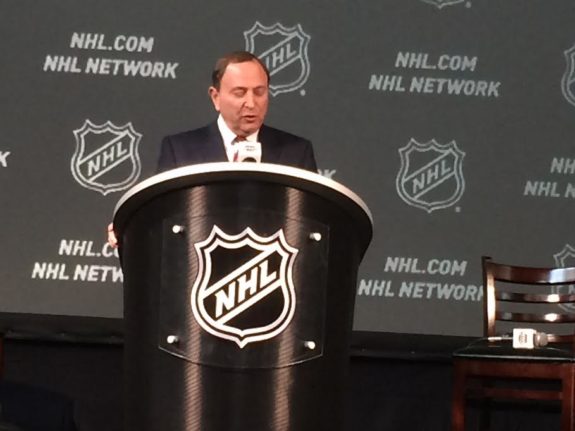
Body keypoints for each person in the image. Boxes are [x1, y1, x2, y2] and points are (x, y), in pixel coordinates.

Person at [107, 50, 317, 247]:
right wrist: (128, 231)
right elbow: (161, 221)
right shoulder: (180, 150)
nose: (251, 103)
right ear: (215, 97)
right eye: (240, 93)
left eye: (259, 92)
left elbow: (312, 226)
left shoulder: (296, 152)